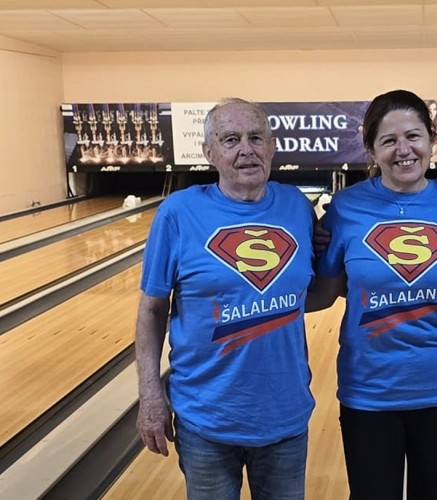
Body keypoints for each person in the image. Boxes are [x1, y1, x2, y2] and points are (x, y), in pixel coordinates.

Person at [135, 97, 316, 500]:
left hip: (285, 417)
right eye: (230, 140)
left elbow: (311, 291)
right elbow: (151, 310)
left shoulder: (298, 207)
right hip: (206, 419)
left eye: (256, 137)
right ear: (209, 153)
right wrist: (150, 394)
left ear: (272, 146)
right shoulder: (177, 213)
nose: (246, 149)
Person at [308, 89, 437, 500]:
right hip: (370, 390)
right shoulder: (345, 208)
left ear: (433, 139)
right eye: (388, 140)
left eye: (413, 136)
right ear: (371, 150)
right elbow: (325, 292)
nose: (404, 150)